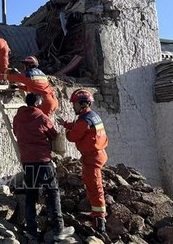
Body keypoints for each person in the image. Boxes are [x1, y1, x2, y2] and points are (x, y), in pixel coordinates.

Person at [13, 93, 75, 242]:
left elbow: (16, 132)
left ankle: (31, 231)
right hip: (43, 162)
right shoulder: (41, 117)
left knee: (31, 195)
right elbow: (53, 135)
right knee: (52, 193)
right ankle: (59, 229)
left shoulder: (17, 118)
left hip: (28, 162)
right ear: (38, 104)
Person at [57, 89, 109, 234]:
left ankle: (100, 219)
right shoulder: (91, 116)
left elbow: (73, 136)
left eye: (74, 104)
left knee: (95, 186)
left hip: (93, 157)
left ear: (83, 104)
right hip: (96, 154)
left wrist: (67, 131)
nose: (73, 106)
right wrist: (67, 124)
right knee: (90, 182)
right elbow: (82, 128)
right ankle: (96, 213)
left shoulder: (83, 120)